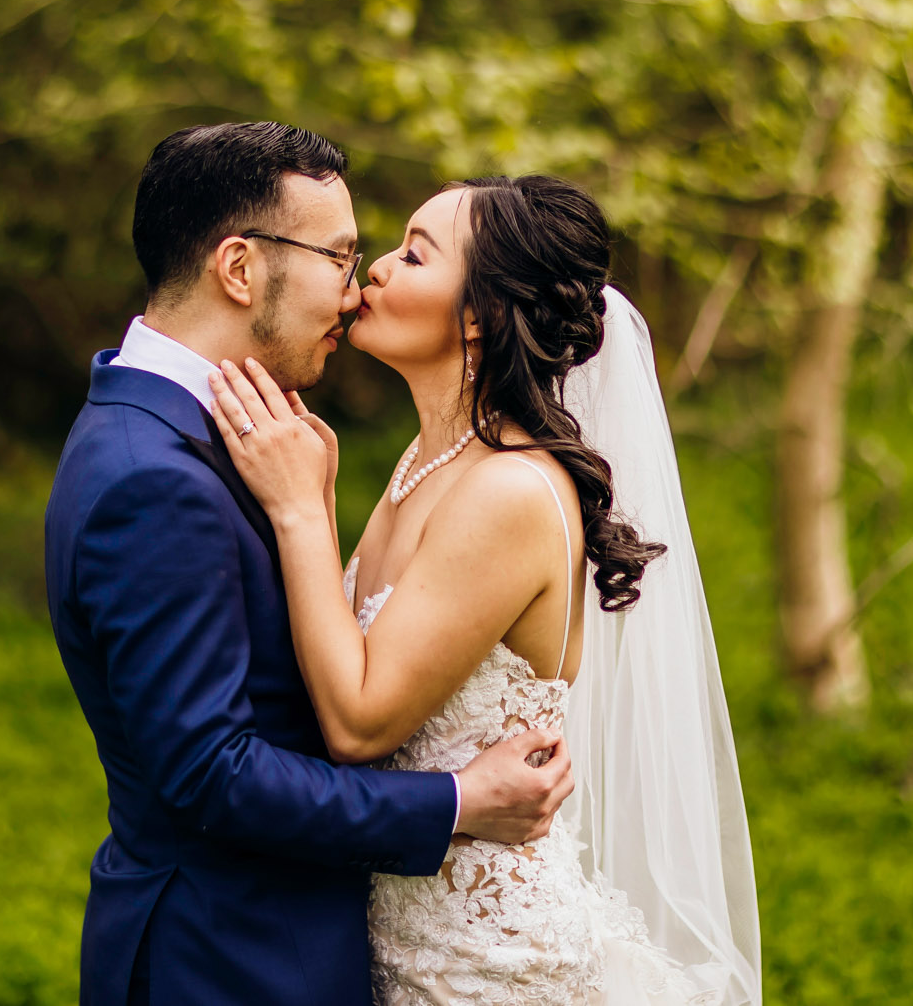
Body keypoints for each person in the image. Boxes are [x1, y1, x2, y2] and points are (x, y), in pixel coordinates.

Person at [44, 125, 576, 1006]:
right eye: (341, 254)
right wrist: (454, 803)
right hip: (228, 962)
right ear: (242, 269)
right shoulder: (155, 476)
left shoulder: (218, 436)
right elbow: (212, 771)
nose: (357, 284)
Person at [204, 174, 763, 1005]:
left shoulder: (509, 491)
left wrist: (298, 514)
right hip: (399, 938)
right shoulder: (421, 463)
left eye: (415, 254)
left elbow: (359, 720)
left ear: (479, 315)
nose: (377, 270)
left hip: (490, 967)